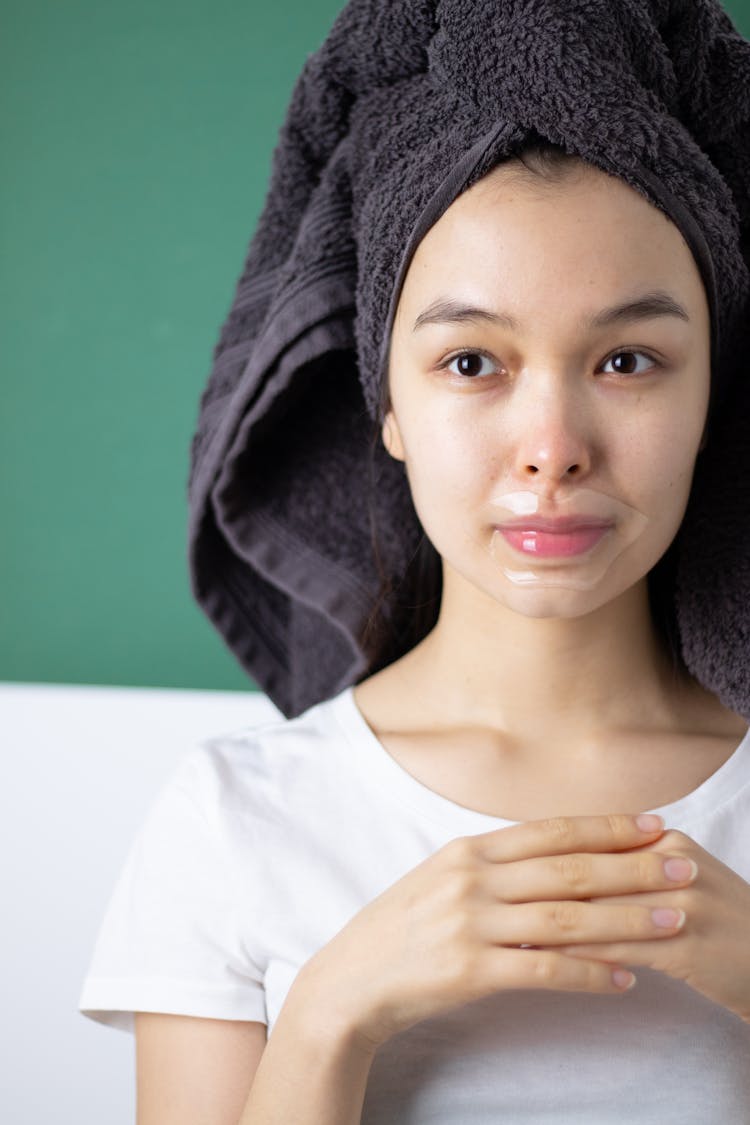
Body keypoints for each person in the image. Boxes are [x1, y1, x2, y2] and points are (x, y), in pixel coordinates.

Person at [79, 2, 750, 1123]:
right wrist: (336, 1012)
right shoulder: (235, 816)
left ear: (710, 395)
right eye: (473, 361)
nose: (553, 450)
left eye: (629, 359)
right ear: (386, 404)